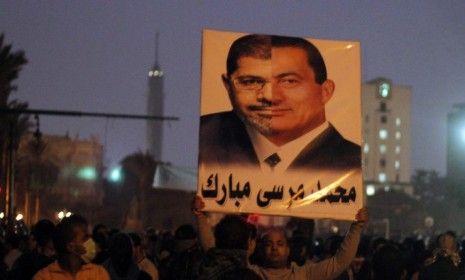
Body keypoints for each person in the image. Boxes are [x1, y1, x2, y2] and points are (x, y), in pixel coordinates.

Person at [199, 34, 360, 173]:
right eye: (251, 81)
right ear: (228, 86)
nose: (269, 96)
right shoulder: (206, 140)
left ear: (325, 91)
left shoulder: (352, 166)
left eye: (289, 81)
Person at [193, 195, 368, 280]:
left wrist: (357, 226)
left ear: (288, 249)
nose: (274, 248)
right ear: (259, 247)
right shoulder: (248, 273)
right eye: (269, 243)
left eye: (280, 243)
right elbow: (214, 251)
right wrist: (200, 216)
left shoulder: (303, 275)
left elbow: (339, 263)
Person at [33, 214, 110, 280]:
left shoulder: (98, 274)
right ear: (70, 247)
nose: (91, 241)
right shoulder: (44, 277)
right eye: (85, 238)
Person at [197, 214, 261, 280]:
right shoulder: (246, 275)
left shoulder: (203, 267)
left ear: (216, 238)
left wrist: (200, 215)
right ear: (248, 242)